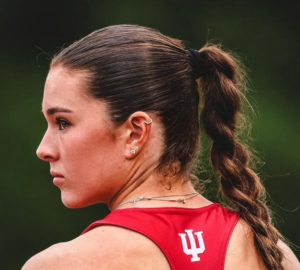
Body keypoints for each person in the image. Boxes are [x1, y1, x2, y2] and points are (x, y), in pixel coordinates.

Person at [22, 25, 299, 270]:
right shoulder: (274, 254)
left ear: (135, 132)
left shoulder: (62, 264)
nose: (43, 149)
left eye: (62, 123)